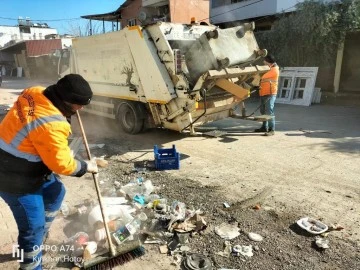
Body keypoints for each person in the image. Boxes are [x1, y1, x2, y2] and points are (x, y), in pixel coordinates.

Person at [0, 74, 98, 270]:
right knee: (31, 226)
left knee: (56, 192)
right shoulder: (52, 125)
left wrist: (57, 149)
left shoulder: (35, 91)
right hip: (12, 177)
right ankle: (31, 265)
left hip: (24, 163)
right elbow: (63, 165)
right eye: (80, 105)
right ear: (68, 103)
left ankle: (39, 235)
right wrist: (87, 166)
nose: (82, 109)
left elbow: (41, 136)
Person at [254, 54, 279, 136]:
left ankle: (272, 130)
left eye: (265, 61)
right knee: (263, 111)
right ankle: (264, 127)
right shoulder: (270, 68)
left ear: (269, 62)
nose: (264, 62)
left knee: (269, 111)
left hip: (270, 93)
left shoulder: (274, 70)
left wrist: (255, 73)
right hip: (263, 92)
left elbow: (262, 76)